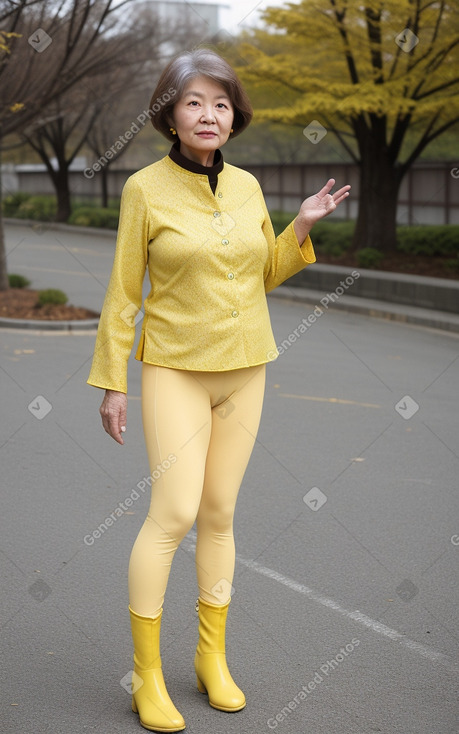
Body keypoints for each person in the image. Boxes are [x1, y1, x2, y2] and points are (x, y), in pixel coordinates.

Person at [87, 48, 350, 733]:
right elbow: (123, 293)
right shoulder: (144, 188)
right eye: (194, 102)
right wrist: (112, 382)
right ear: (170, 114)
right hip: (173, 366)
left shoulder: (247, 188)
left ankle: (211, 658)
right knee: (172, 513)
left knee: (220, 512)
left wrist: (300, 228)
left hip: (245, 368)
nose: (209, 114)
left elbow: (259, 275)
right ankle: (146, 675)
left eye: (221, 103)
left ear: (235, 116)